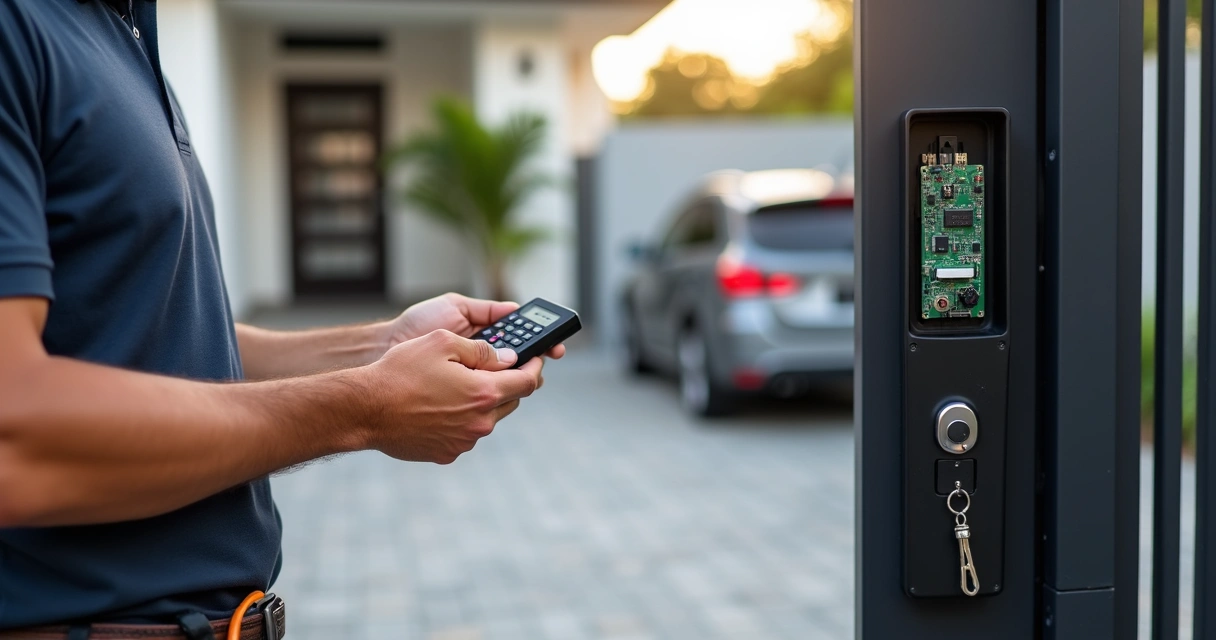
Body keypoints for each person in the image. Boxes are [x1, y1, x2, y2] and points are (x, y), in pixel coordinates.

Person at [0, 0, 564, 636]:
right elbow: (12, 432)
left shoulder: (125, 29)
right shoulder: (18, 30)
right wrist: (365, 407)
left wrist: (381, 345)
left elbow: (163, 337)